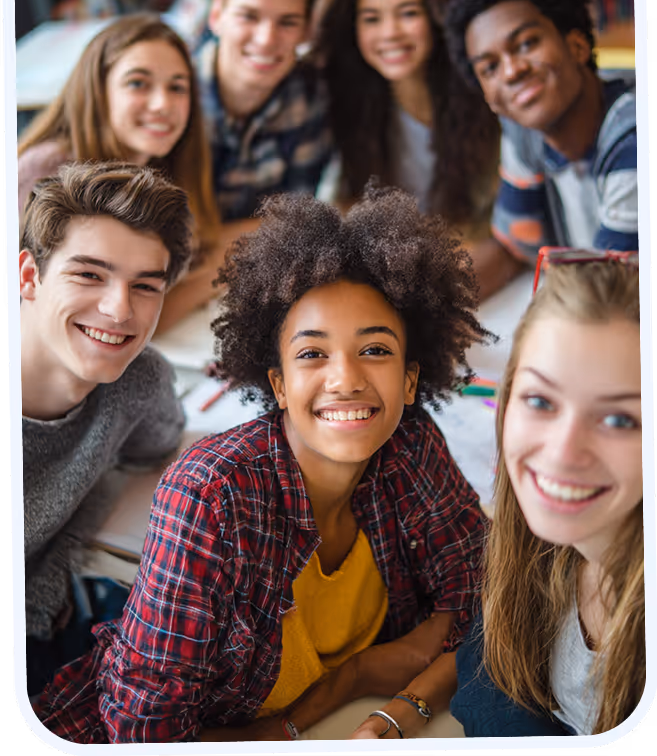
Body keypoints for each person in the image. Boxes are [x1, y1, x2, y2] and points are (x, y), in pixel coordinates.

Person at [35, 184, 489, 743]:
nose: (346, 379)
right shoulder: (212, 496)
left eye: (374, 350)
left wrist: (390, 707)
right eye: (311, 354)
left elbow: (487, 598)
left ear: (410, 378)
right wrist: (330, 697)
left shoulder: (410, 445)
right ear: (277, 382)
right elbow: (145, 739)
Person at [449, 248, 643, 736]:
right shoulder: (543, 553)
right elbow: (487, 657)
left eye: (619, 419)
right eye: (540, 400)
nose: (561, 452)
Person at [20, 161, 194, 697]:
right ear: (29, 277)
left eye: (145, 286)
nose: (120, 310)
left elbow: (149, 451)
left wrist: (61, 550)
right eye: (89, 274)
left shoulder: (137, 382)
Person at [443, 0, 638, 299]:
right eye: (489, 68)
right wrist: (426, 306)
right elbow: (515, 245)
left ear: (577, 46)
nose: (511, 71)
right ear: (489, 96)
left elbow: (606, 296)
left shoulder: (632, 138)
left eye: (527, 44)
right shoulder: (525, 130)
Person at [17, 13, 222, 332]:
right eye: (138, 83)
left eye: (177, 87)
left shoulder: (162, 167)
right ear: (99, 90)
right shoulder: (46, 171)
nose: (162, 104)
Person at [314, 0, 500, 234]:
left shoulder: (488, 98)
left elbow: (499, 233)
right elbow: (344, 206)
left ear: (439, 15)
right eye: (371, 19)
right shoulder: (350, 105)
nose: (390, 33)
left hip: (479, 263)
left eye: (409, 13)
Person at [194, 0, 336, 232]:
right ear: (216, 15)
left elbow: (290, 227)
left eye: (287, 22)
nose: (266, 40)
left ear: (307, 31)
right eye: (248, 16)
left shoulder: (312, 99)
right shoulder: (171, 94)